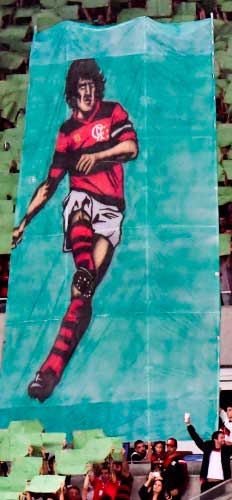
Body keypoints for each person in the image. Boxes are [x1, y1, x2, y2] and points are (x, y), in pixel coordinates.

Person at [15, 58, 138, 402]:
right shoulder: (67, 132)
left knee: (80, 300)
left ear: (98, 87)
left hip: (112, 210)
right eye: (81, 87)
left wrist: (99, 157)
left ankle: (50, 371)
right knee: (78, 204)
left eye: (91, 85)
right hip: (83, 200)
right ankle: (83, 267)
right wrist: (23, 222)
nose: (88, 92)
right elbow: (50, 184)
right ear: (72, 93)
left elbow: (131, 148)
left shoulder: (112, 112)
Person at [185, 413, 232, 492]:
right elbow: (196, 438)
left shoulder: (226, 451)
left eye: (224, 437)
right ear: (215, 439)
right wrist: (188, 424)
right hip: (206, 484)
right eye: (221, 438)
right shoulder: (206, 448)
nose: (224, 439)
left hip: (220, 485)